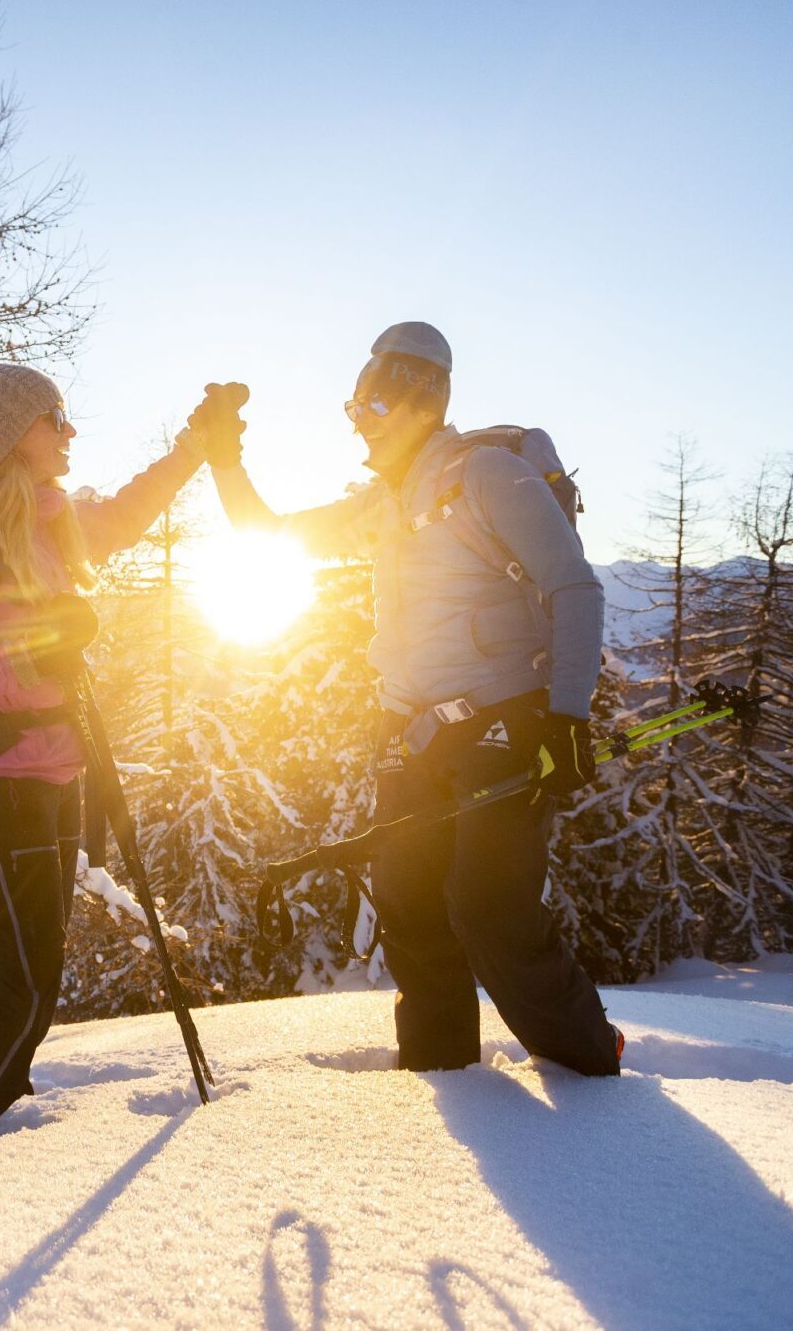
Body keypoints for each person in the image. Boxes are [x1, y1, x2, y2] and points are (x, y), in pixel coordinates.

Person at [189, 322, 622, 1076]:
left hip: (507, 716)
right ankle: (440, 1071)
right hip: (412, 732)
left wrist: (567, 718)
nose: (357, 422)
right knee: (408, 901)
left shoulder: (485, 474)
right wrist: (226, 459)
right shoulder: (381, 503)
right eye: (354, 407)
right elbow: (267, 532)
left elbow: (574, 586)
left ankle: (589, 1066)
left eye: (371, 407)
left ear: (418, 404)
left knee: (490, 907)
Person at [0, 362, 214, 1169]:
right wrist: (26, 666)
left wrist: (192, 449)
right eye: (54, 416)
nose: (69, 430)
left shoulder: (45, 518)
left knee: (37, 976)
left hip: (55, 770)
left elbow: (124, 516)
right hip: (1, 780)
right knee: (17, 983)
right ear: (11, 432)